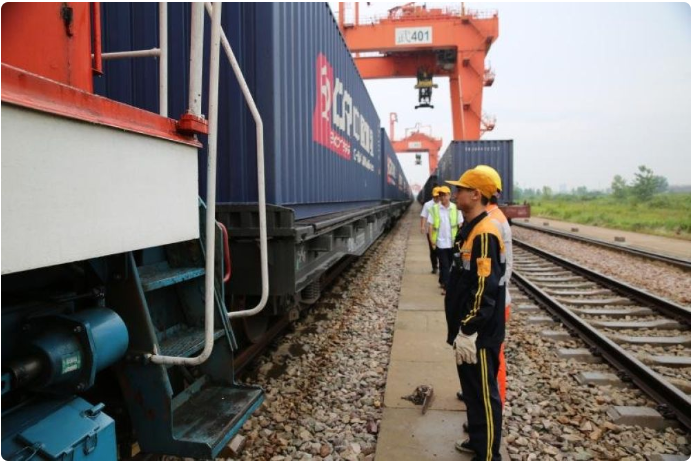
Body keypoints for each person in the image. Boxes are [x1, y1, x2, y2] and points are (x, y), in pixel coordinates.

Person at [444, 168, 506, 460]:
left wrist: (468, 329)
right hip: (466, 330)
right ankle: (478, 441)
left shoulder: (485, 233)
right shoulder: (470, 228)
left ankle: (489, 455)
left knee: (483, 395)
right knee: (471, 391)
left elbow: (484, 290)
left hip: (478, 333)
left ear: (476, 194)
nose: (455, 194)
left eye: (461, 189)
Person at [474, 165, 513, 407]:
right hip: (495, 298)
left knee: (493, 356)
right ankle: (483, 396)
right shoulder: (495, 217)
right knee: (487, 354)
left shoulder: (492, 222)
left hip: (494, 301)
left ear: (479, 193)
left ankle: (494, 402)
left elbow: (490, 274)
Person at [427, 186, 463, 294]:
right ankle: (446, 288)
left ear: (449, 195)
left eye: (444, 195)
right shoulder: (434, 209)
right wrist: (431, 240)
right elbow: (430, 226)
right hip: (440, 242)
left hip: (452, 242)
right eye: (440, 195)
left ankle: (442, 281)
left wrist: (460, 240)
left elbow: (460, 224)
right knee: (445, 265)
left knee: (449, 265)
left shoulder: (456, 208)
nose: (442, 197)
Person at [420, 186, 440, 273]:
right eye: (435, 196)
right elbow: (424, 216)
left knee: (442, 249)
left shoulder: (442, 204)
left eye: (438, 196)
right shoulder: (427, 205)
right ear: (433, 195)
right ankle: (434, 267)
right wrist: (422, 226)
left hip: (441, 231)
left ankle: (442, 266)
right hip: (431, 231)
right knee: (433, 249)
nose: (437, 198)